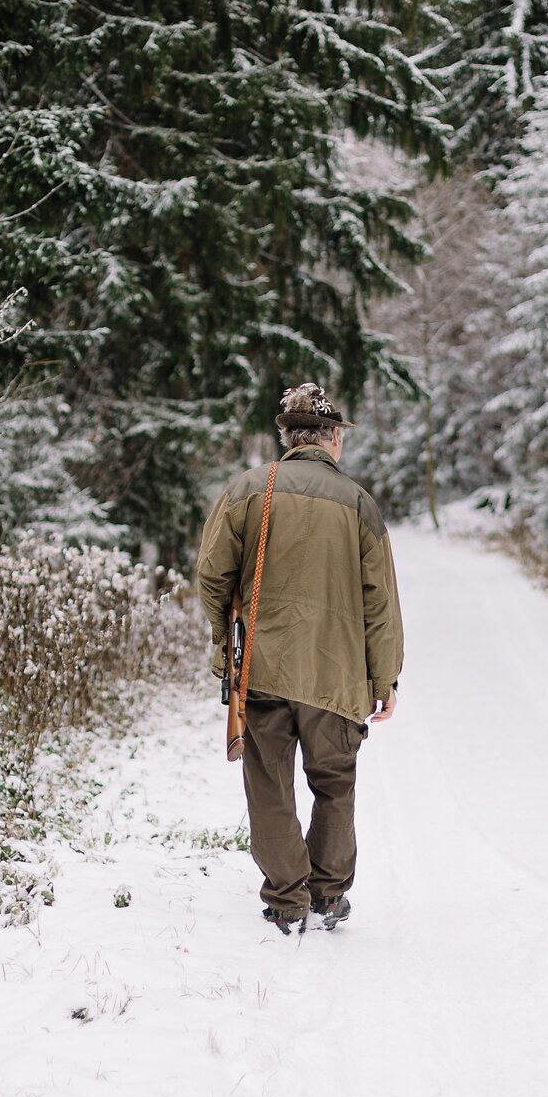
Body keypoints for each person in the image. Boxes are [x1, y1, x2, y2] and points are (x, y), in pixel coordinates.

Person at [195, 383, 404, 933]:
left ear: (288, 439)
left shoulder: (248, 489)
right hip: (337, 675)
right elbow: (380, 601)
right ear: (333, 438)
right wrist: (384, 678)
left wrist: (226, 643)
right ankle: (328, 895)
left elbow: (212, 575)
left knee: (269, 782)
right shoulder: (359, 504)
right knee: (334, 782)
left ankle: (287, 898)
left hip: (261, 667)